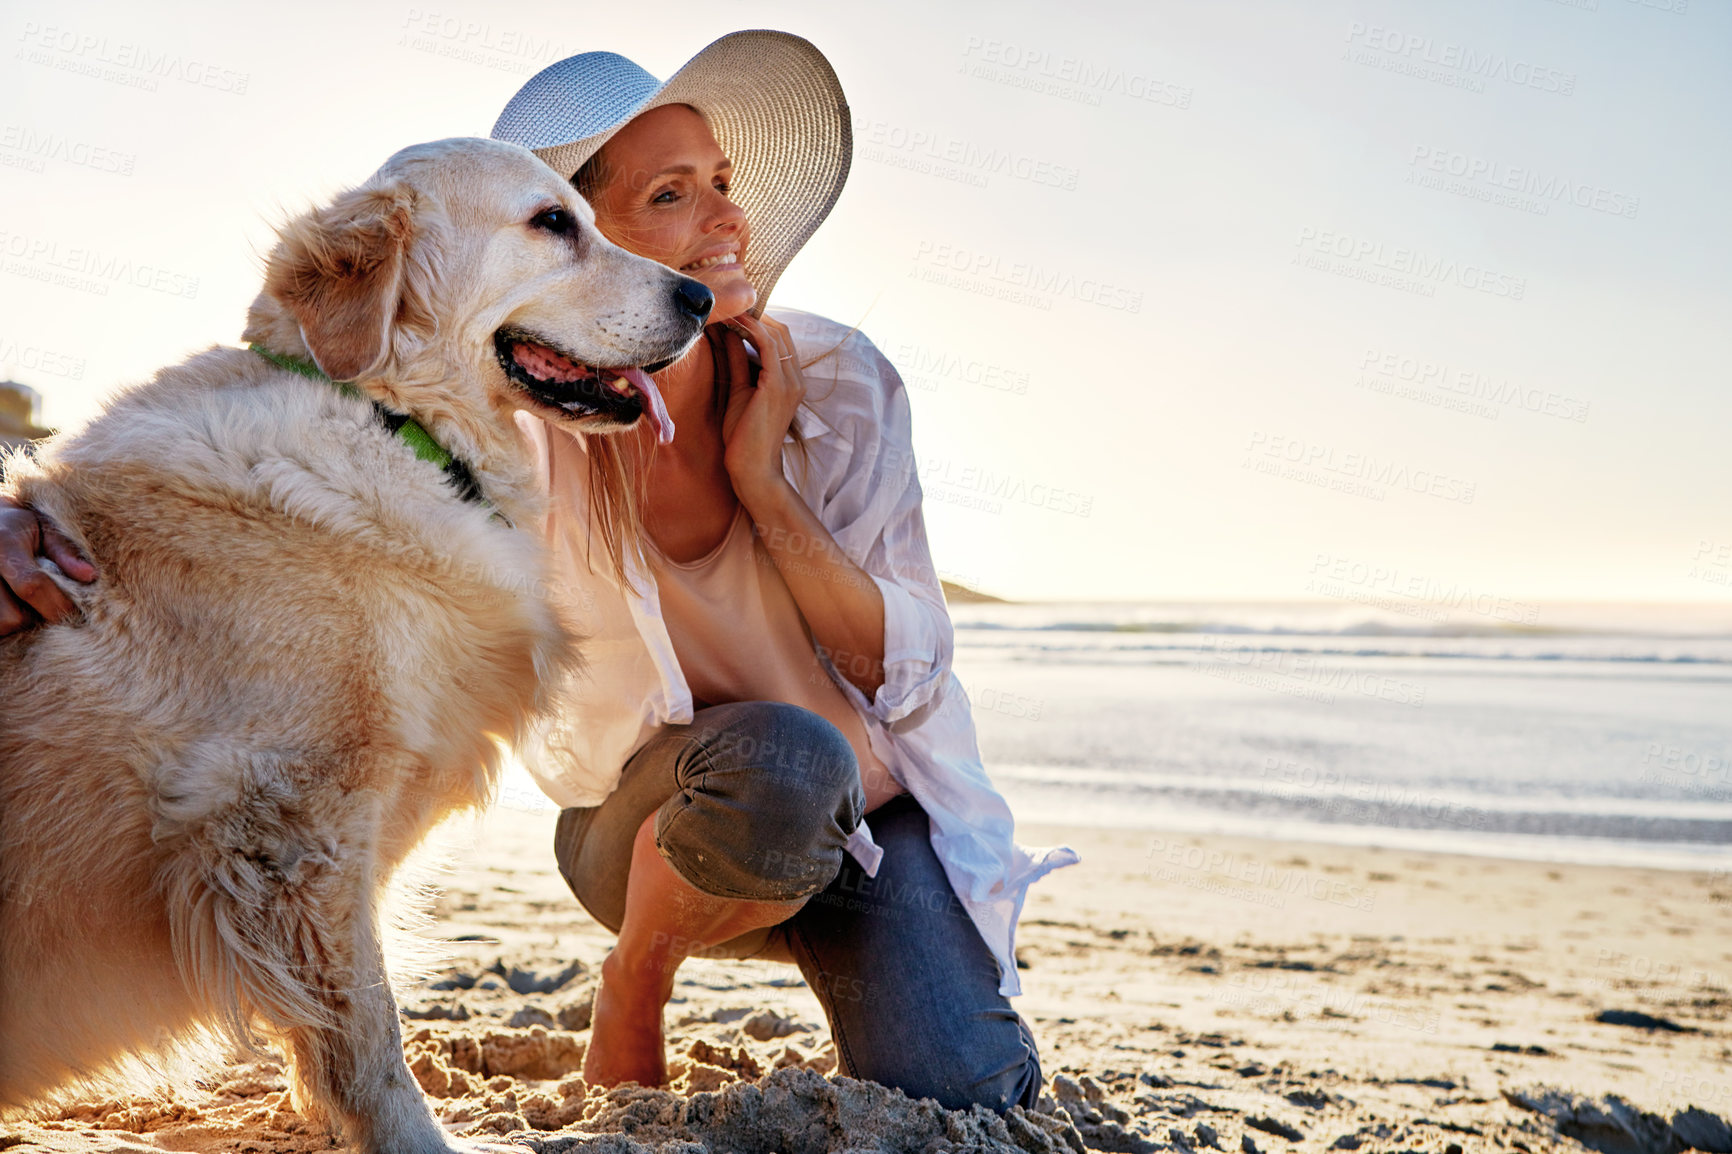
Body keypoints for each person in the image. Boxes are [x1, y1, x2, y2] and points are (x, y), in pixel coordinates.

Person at [0, 30, 1077, 1114]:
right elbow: (307, 397)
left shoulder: (840, 382)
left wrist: (765, 481)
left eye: (722, 185)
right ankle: (636, 978)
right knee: (783, 764)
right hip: (669, 823)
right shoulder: (503, 425)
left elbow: (903, 667)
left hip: (872, 820)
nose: (722, 223)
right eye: (669, 194)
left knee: (972, 1087)